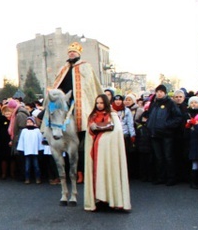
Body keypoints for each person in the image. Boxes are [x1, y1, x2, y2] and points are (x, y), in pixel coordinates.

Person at [52, 41, 104, 182]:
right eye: (69, 52)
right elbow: (57, 86)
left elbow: (91, 87)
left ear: (79, 53)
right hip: (65, 105)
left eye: (74, 52)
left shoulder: (86, 67)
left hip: (80, 106)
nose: (71, 53)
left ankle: (81, 172)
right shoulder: (63, 68)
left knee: (80, 144)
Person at [84, 94, 131, 212]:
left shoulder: (113, 114)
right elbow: (90, 130)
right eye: (97, 103)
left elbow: (117, 131)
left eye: (101, 103)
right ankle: (99, 199)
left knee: (110, 172)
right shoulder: (92, 115)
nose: (99, 105)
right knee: (98, 173)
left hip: (109, 151)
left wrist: (100, 130)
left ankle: (112, 200)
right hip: (96, 150)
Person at [145, 84, 183, 185]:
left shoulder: (170, 103)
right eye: (157, 91)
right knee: (158, 158)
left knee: (168, 157)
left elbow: (178, 118)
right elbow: (149, 116)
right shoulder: (153, 103)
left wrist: (166, 125)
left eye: (161, 91)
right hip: (154, 134)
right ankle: (160, 178)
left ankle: (171, 178)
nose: (159, 93)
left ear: (165, 93)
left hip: (166, 134)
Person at [16, 116, 44, 184]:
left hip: (35, 151)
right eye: (28, 122)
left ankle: (38, 178)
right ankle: (27, 178)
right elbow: (21, 140)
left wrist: (40, 149)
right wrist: (21, 149)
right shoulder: (24, 131)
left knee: (36, 166)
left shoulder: (37, 131)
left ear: (34, 123)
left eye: (30, 122)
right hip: (27, 151)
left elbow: (40, 140)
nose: (29, 123)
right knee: (27, 166)